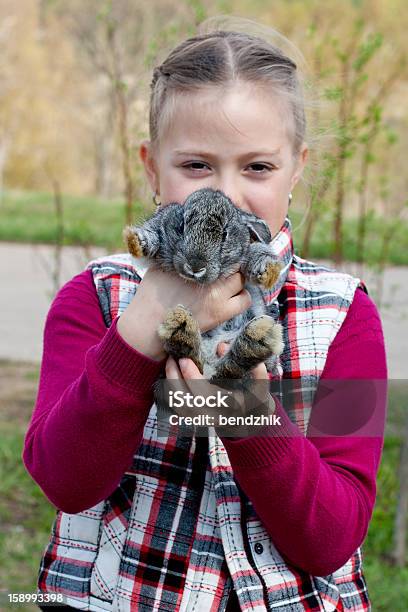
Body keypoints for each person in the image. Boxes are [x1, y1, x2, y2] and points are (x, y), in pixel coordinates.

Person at [23, 18, 387, 612]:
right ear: (151, 166)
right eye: (195, 165)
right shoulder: (94, 298)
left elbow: (332, 537)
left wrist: (246, 415)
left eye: (258, 167)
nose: (226, 194)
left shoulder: (346, 316)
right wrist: (137, 337)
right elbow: (65, 482)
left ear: (296, 167)